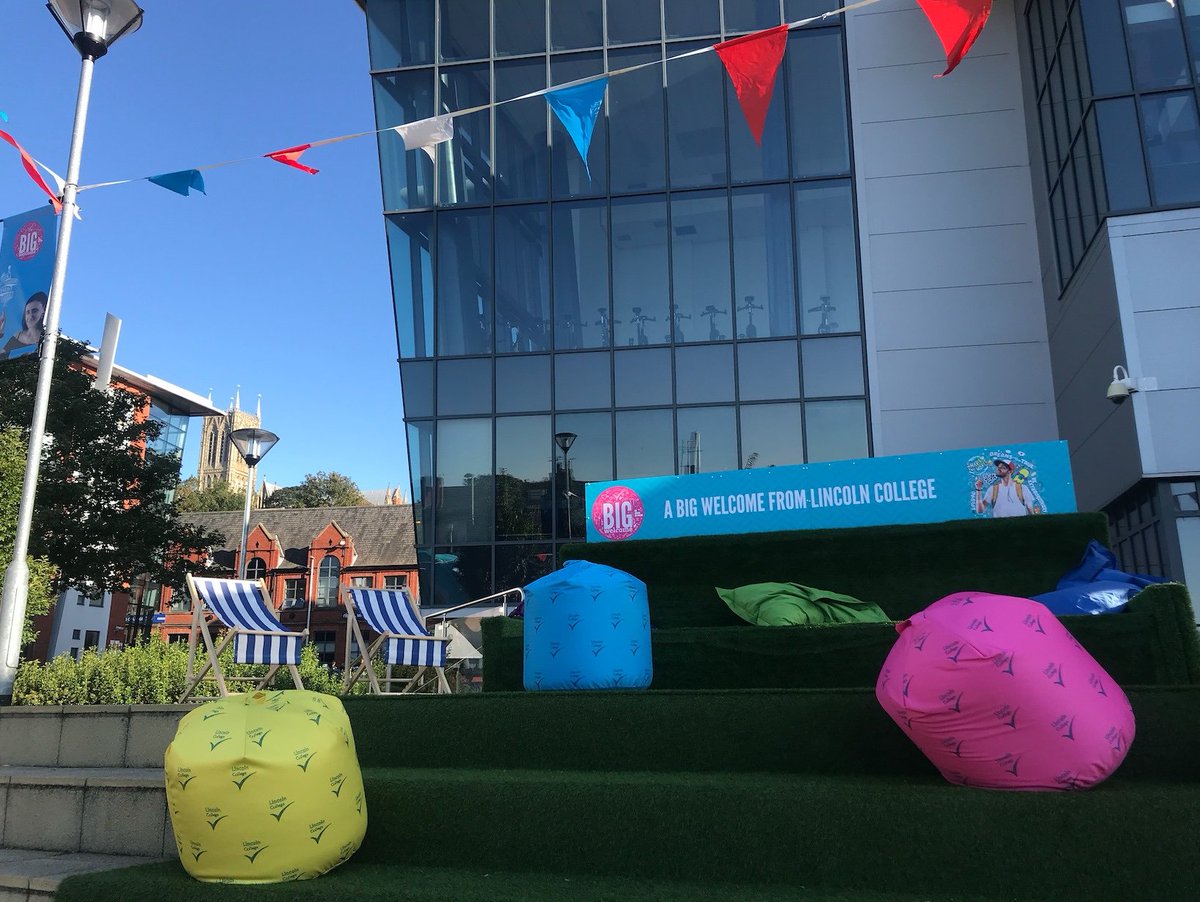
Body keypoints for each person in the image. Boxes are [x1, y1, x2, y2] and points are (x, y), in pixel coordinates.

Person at [0, 291, 47, 360]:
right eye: (28, 312)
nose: (30, 316)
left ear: (43, 312)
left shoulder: (47, 340)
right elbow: (2, 357)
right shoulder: (17, 335)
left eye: (35, 311)